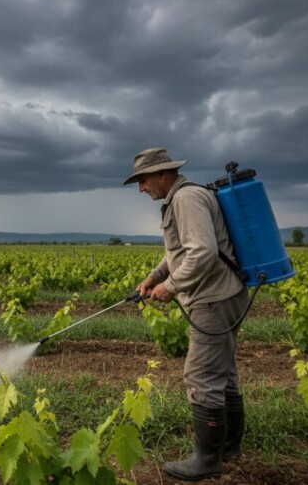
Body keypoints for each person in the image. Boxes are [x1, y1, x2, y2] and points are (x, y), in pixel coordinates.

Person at [123, 147, 248, 481]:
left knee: (202, 375)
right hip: (223, 294)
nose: (141, 188)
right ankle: (229, 447)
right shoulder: (184, 198)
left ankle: (208, 460)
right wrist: (155, 277)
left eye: (144, 180)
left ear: (164, 174)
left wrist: (172, 286)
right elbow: (180, 251)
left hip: (212, 299)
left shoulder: (186, 199)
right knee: (224, 372)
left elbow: (203, 252)